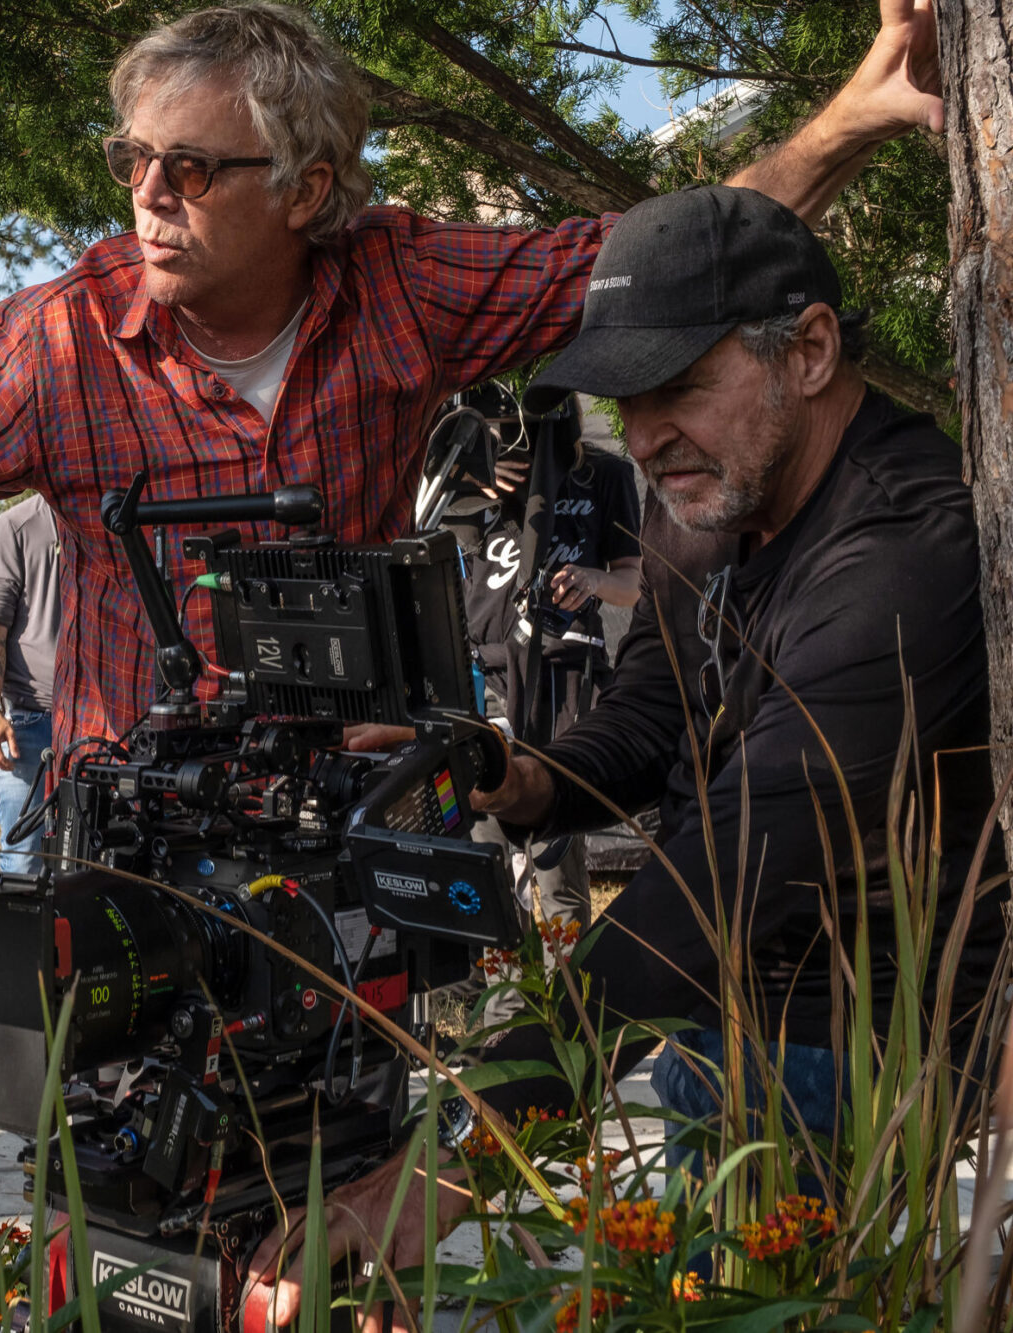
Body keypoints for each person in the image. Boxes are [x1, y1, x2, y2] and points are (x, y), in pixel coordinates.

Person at [0, 0, 942, 772]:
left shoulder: (405, 285)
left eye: (193, 168)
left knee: (342, 1218)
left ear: (311, 189)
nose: (149, 194)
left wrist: (855, 119)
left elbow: (661, 270)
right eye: (133, 159)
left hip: (352, 823)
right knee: (131, 1217)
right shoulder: (56, 341)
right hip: (128, 839)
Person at [243, 186, 1008, 1326]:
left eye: (679, 385)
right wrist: (514, 773)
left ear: (807, 351)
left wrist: (453, 1155)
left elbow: (730, 870)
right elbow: (651, 713)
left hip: (856, 1050)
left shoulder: (904, 542)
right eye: (625, 399)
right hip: (709, 1015)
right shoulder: (709, 497)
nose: (644, 436)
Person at [438, 399, 640, 1021]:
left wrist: (591, 580)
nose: (514, 453)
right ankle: (506, 1023)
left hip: (561, 681)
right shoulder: (461, 491)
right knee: (488, 862)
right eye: (499, 440)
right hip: (485, 686)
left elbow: (633, 580)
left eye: (522, 438)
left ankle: (568, 1023)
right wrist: (469, 476)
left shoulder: (603, 476)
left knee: (552, 856)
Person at [0, 493, 62, 873]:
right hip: (29, 720)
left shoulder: (103, 523)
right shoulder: (15, 526)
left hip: (98, 721)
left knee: (94, 863)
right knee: (24, 864)